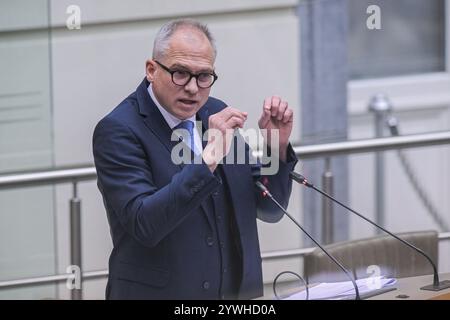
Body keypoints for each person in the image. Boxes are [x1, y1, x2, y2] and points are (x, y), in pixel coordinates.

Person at [93, 19, 297, 300]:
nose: (192, 88)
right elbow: (145, 224)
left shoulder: (216, 112)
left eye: (203, 76)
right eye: (180, 73)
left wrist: (277, 145)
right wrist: (208, 157)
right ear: (152, 70)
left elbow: (270, 209)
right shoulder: (118, 130)